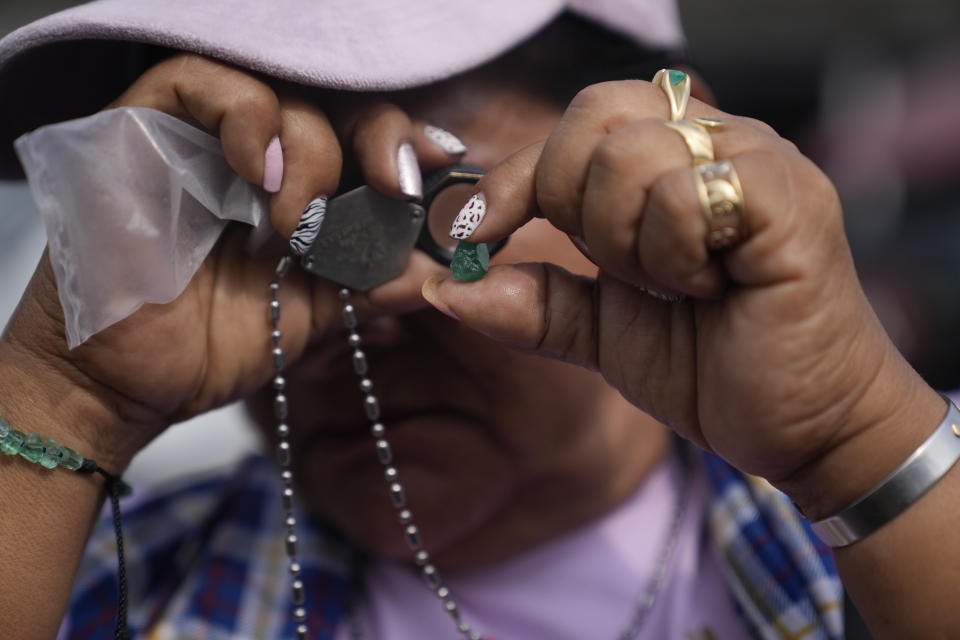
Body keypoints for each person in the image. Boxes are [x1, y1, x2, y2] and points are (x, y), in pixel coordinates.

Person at [0, 2, 956, 639]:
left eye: (438, 211)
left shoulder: (910, 485)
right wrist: (65, 401)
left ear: (665, 155)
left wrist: (852, 443)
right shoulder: (112, 586)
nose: (361, 303)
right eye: (257, 224)